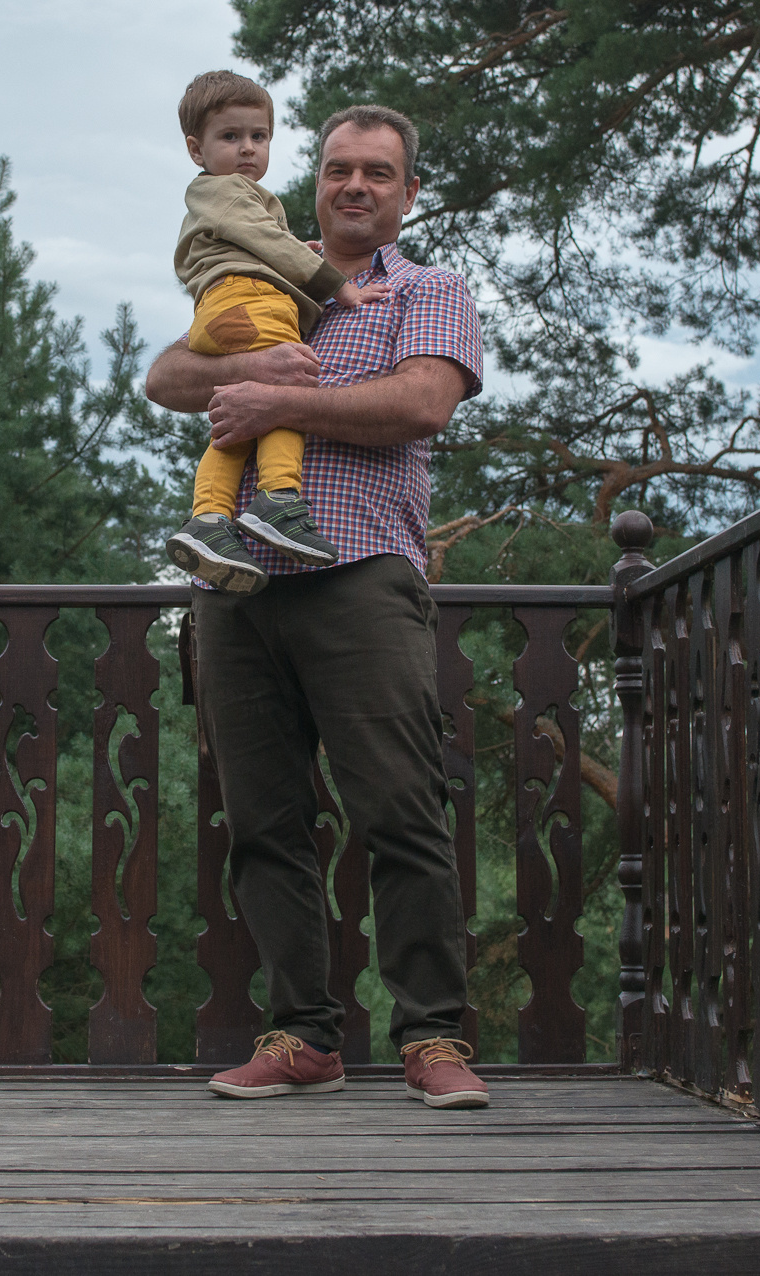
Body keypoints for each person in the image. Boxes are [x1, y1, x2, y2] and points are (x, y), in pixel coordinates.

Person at [144, 101, 493, 1112]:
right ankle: (301, 1034)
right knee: (265, 821)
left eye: (377, 173)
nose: (354, 186)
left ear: (407, 193)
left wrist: (280, 405)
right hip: (237, 583)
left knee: (400, 807)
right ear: (317, 181)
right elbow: (168, 372)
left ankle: (431, 1036)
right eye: (339, 168)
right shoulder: (263, 269)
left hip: (361, 574)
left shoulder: (426, 290)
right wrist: (255, 368)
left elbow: (422, 404)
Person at [163, 70, 373, 594]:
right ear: (197, 149)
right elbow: (268, 242)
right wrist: (338, 287)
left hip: (227, 308)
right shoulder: (229, 192)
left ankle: (210, 519)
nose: (248, 149)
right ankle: (278, 498)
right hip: (248, 302)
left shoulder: (226, 199)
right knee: (286, 392)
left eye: (259, 137)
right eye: (230, 137)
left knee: (244, 413)